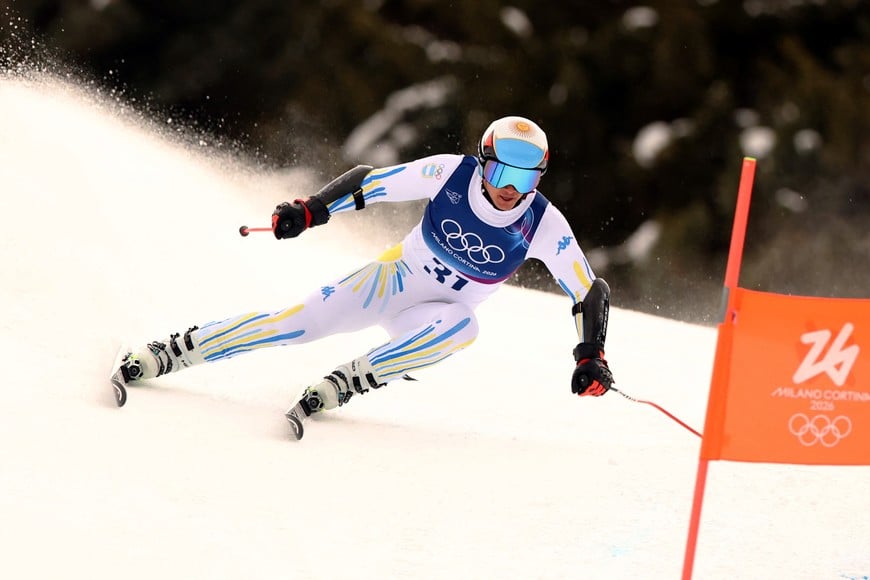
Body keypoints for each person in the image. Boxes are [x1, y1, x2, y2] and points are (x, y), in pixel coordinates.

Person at [114, 115, 615, 439]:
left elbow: (588, 290)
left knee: (466, 327)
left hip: (433, 314)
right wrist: (309, 211)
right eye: (502, 174)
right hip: (393, 280)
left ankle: (347, 382)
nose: (511, 190)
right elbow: (371, 184)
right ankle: (171, 352)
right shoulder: (451, 173)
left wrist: (591, 355)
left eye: (525, 179)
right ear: (483, 165)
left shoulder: (543, 223)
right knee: (297, 325)